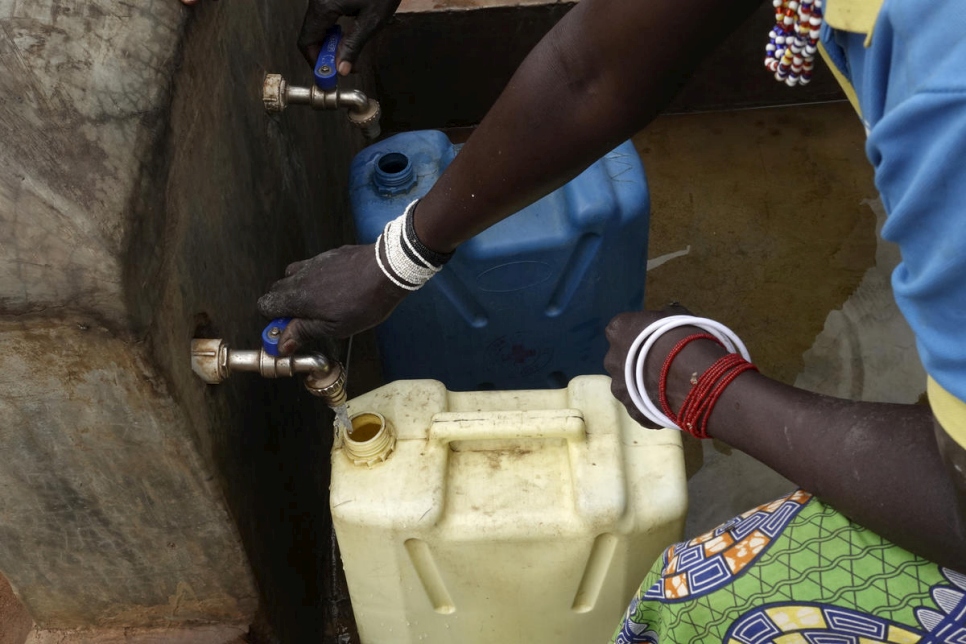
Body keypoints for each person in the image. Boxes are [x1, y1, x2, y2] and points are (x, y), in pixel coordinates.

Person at [187, 0, 966, 640]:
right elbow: (591, 67)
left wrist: (702, 385)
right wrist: (401, 258)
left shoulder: (944, 108)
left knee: (700, 607)